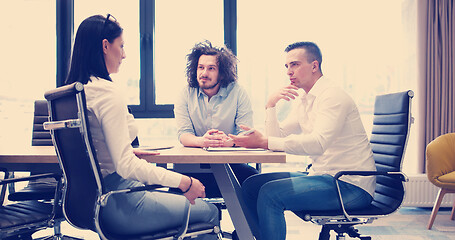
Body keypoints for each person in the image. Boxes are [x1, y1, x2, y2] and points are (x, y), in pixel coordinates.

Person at [65, 14, 219, 239]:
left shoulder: (76, 92)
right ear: (105, 46)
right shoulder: (107, 94)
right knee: (210, 212)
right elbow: (126, 166)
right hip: (121, 202)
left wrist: (120, 150)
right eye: (122, 45)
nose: (124, 54)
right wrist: (185, 182)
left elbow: (90, 148)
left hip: (89, 205)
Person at [229, 41, 376, 240]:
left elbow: (317, 143)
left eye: (295, 64)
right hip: (323, 176)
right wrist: (271, 104)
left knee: (270, 194)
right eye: (287, 66)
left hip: (349, 185)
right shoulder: (305, 99)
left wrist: (264, 142)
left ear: (314, 66)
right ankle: (255, 237)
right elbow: (277, 137)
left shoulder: (332, 96)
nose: (289, 71)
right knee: (251, 185)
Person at [174, 40, 258, 197]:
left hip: (231, 165)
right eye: (201, 67)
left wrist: (230, 142)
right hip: (193, 167)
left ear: (222, 72)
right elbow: (183, 134)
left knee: (255, 182)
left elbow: (246, 133)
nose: (204, 73)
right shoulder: (185, 93)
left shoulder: (238, 92)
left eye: (211, 68)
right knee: (174, 186)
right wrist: (203, 142)